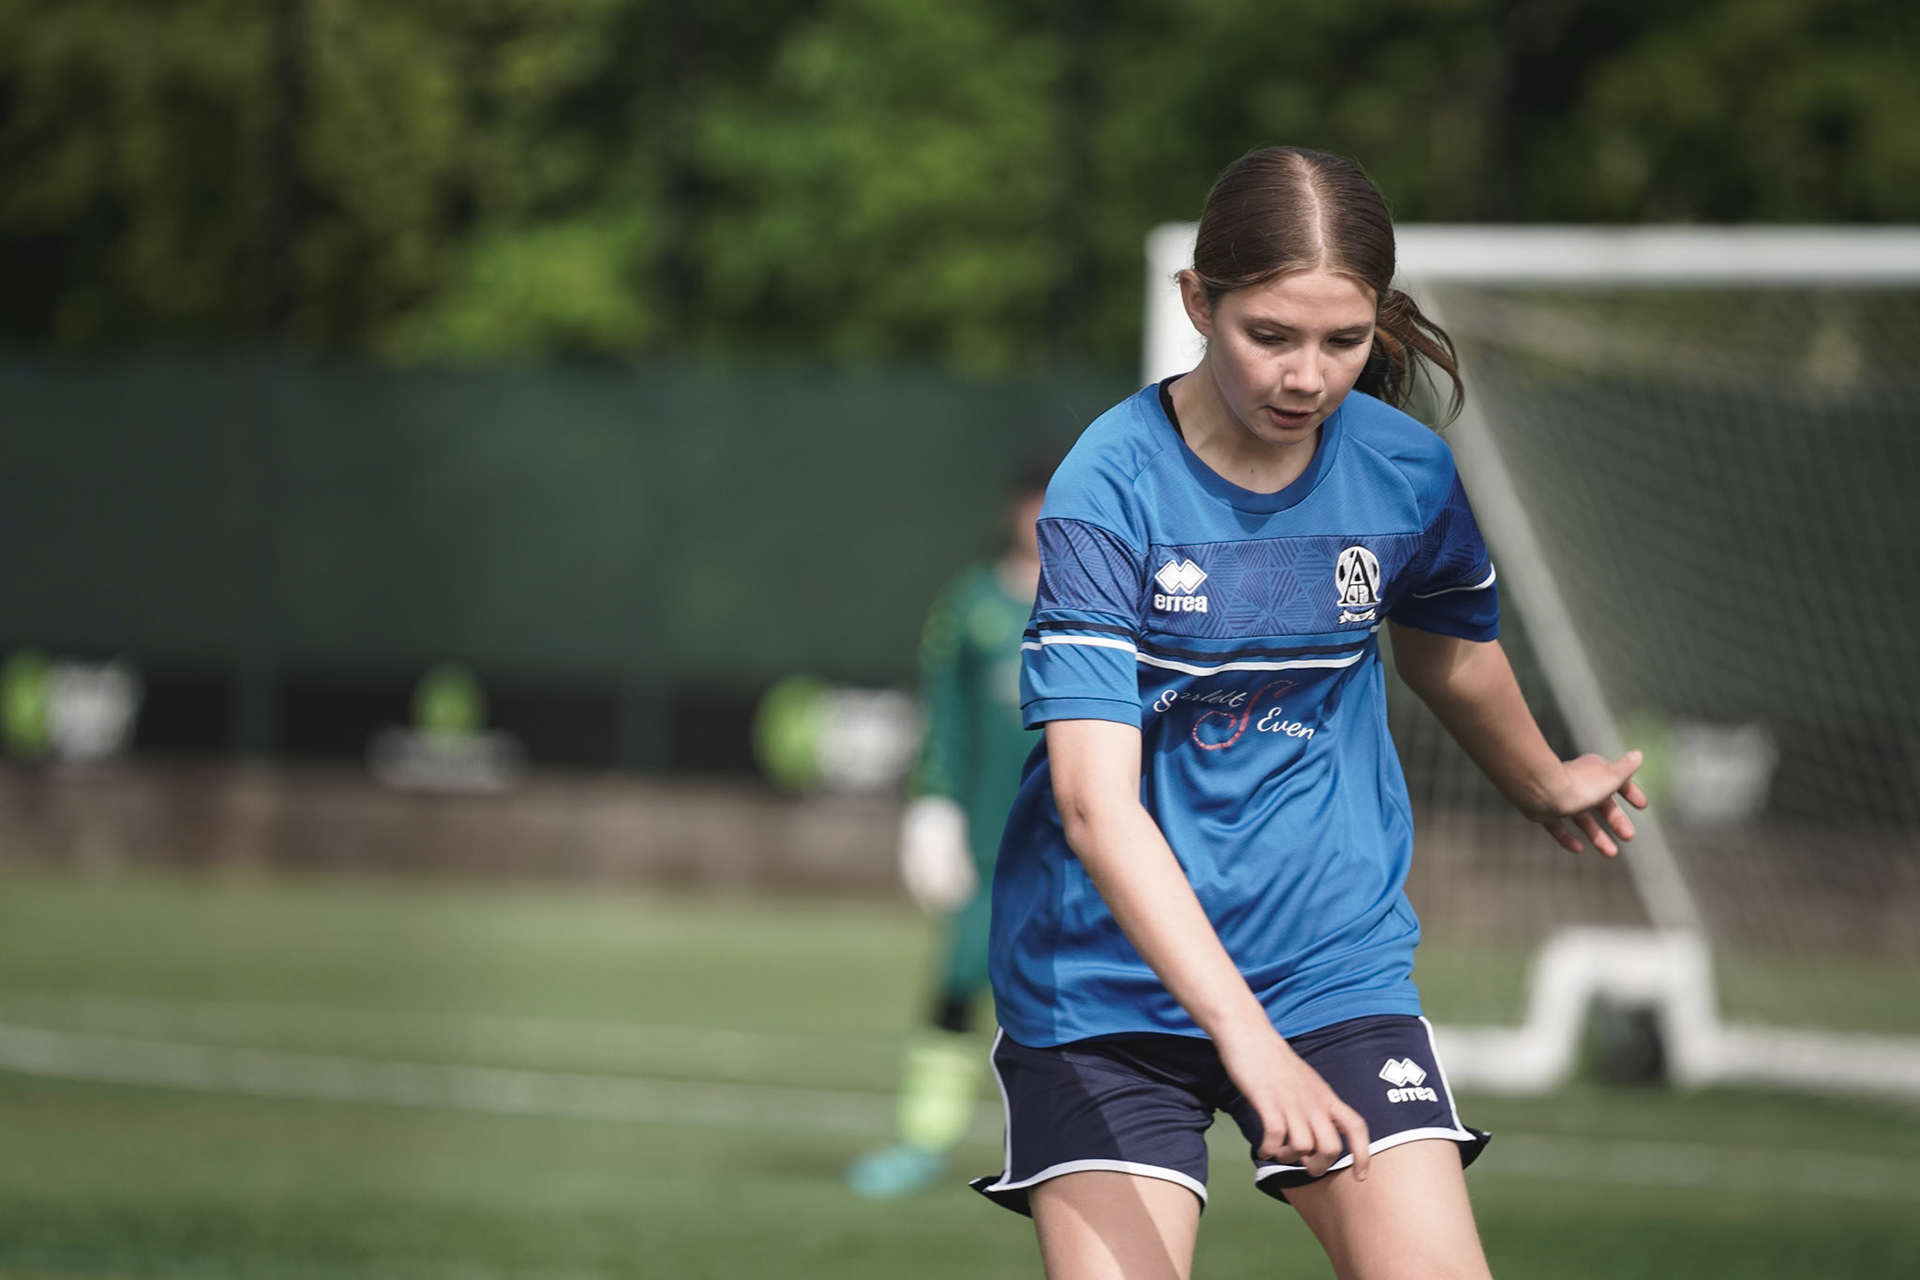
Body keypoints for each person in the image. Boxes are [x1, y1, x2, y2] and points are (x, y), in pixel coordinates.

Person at [970, 146, 1647, 1280]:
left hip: (1327, 964)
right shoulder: (1108, 485)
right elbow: (1094, 807)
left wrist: (1541, 777)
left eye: (1344, 341)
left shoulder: (1407, 471)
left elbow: (1449, 652)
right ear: (1198, 301)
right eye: (1270, 335)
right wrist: (1246, 1039)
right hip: (1102, 981)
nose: (1306, 376)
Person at [846, 460, 1051, 1200]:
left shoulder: (1099, 595)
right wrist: (933, 806)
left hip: (1078, 842)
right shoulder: (971, 602)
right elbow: (943, 709)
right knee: (960, 979)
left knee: (1068, 996)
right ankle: (923, 1139)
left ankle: (1061, 1147)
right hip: (989, 841)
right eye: (1031, 503)